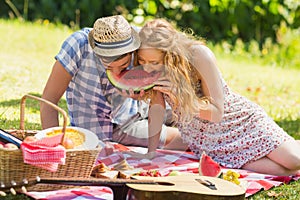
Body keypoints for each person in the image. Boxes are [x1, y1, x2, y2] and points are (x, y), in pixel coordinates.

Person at [133, 18, 300, 176]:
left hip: (239, 121)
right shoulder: (152, 70)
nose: (147, 69)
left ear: (171, 56)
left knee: (295, 161)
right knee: (282, 169)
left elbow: (216, 113)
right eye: (142, 61)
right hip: (208, 142)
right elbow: (156, 111)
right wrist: (151, 153)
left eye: (154, 62)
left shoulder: (198, 56)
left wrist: (181, 98)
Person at [40, 15, 187, 150]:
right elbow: (49, 100)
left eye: (124, 67)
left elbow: (175, 50)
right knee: (185, 140)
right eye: (109, 67)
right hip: (117, 127)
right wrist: (56, 146)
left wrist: (145, 93)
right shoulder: (77, 46)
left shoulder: (140, 41)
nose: (116, 73)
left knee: (197, 124)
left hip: (140, 108)